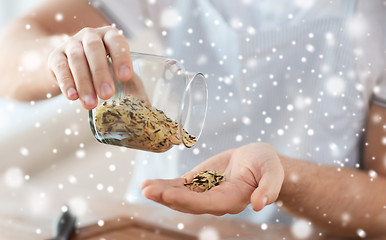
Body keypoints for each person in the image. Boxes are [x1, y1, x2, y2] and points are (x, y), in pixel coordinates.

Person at [1, 0, 386, 238]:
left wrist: (283, 177)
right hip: (163, 220)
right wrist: (64, 57)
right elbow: (10, 53)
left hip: (311, 230)